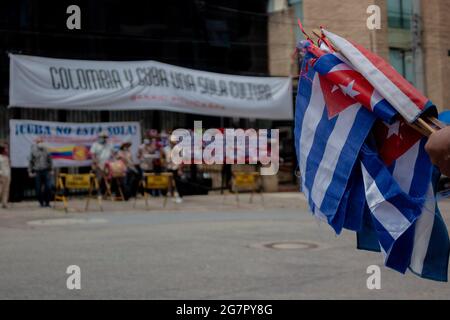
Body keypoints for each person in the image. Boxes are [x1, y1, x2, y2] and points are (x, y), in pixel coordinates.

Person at [28, 137, 53, 207]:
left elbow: (50, 161)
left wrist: (51, 169)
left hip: (46, 171)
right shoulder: (33, 151)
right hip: (37, 171)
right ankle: (41, 202)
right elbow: (30, 162)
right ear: (36, 143)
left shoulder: (47, 150)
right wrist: (29, 171)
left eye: (41, 141)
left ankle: (47, 202)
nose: (40, 143)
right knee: (38, 188)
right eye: (38, 142)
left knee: (48, 187)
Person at [162, 134, 185, 203]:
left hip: (176, 168)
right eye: (171, 142)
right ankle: (172, 195)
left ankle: (180, 196)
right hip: (169, 168)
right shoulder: (165, 149)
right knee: (169, 183)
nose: (173, 143)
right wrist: (164, 164)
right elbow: (162, 158)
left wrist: (180, 169)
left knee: (178, 183)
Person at [0, 144, 11, 209]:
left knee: (6, 190)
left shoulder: (6, 157)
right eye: (6, 149)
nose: (7, 150)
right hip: (2, 175)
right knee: (0, 190)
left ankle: (4, 203)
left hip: (7, 175)